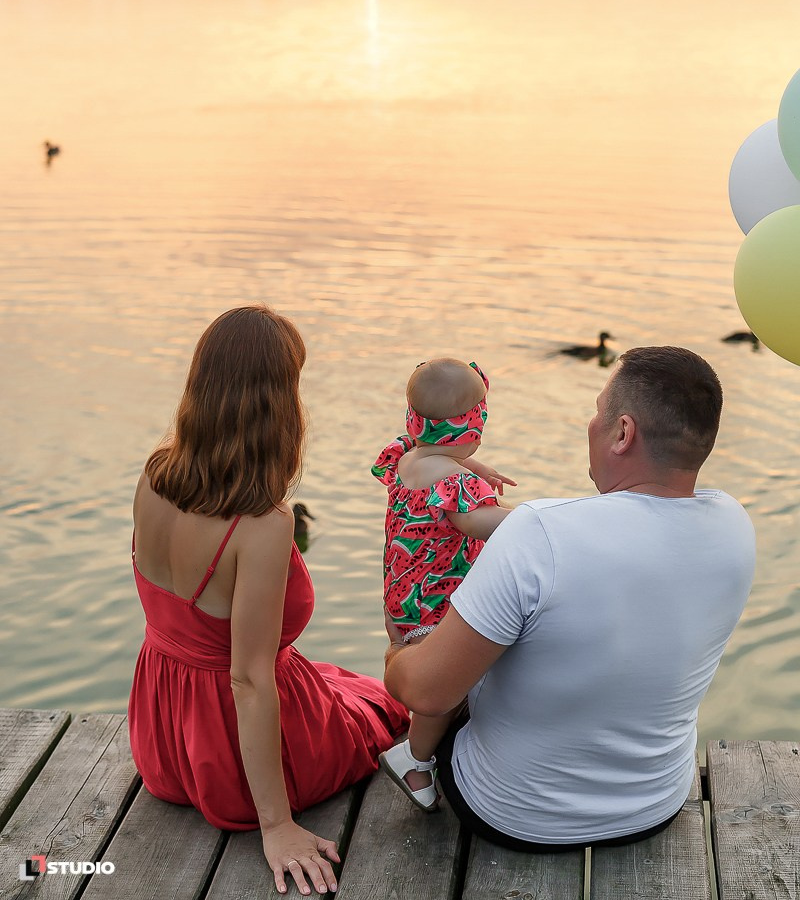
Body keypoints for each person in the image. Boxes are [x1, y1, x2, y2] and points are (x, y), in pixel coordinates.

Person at [384, 346, 756, 850]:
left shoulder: (538, 532)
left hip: (514, 813)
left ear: (623, 433)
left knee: (438, 673)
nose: (590, 424)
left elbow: (425, 692)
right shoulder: (736, 525)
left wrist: (399, 654)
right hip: (656, 804)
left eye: (597, 412)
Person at [128, 305, 407, 897]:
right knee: (388, 710)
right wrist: (277, 826)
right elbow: (249, 683)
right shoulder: (260, 524)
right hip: (234, 761)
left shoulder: (154, 475)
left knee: (338, 681)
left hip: (163, 737)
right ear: (281, 404)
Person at [372, 358, 513, 811]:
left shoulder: (407, 457)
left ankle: (435, 744)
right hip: (436, 605)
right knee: (444, 692)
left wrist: (478, 468)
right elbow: (478, 523)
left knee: (439, 680)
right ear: (470, 428)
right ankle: (414, 760)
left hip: (403, 598)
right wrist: (533, 517)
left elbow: (438, 455)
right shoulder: (454, 484)